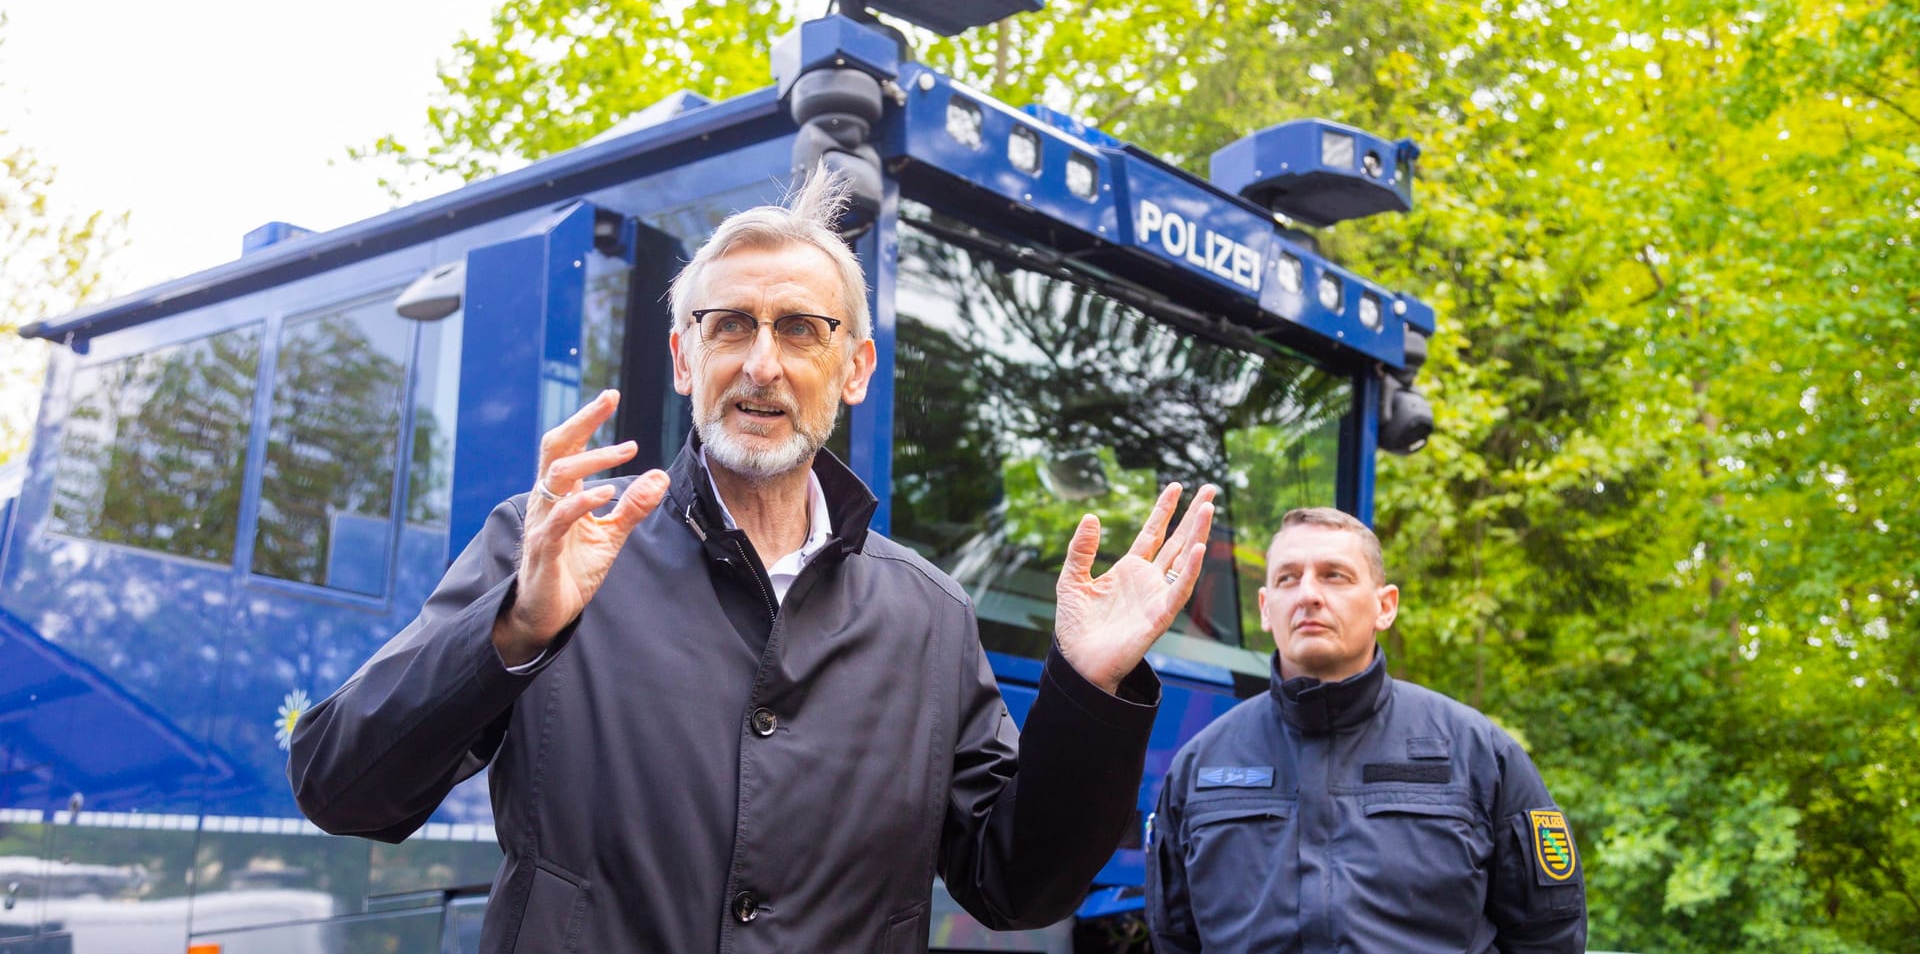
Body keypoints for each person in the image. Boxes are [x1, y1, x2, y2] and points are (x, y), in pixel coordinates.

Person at [288, 168, 1218, 953]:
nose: (761, 364)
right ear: (685, 358)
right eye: (729, 326)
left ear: (853, 370)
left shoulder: (927, 613)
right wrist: (516, 629)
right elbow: (342, 789)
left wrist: (1087, 691)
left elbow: (1015, 885)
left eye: (800, 330)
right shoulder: (554, 549)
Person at [1146, 507, 1586, 952]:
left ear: (1385, 606)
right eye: (1287, 578)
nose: (1309, 595)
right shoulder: (1201, 767)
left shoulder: (1477, 753)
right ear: (1265, 608)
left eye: (1334, 575)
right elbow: (1173, 938)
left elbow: (1548, 935)